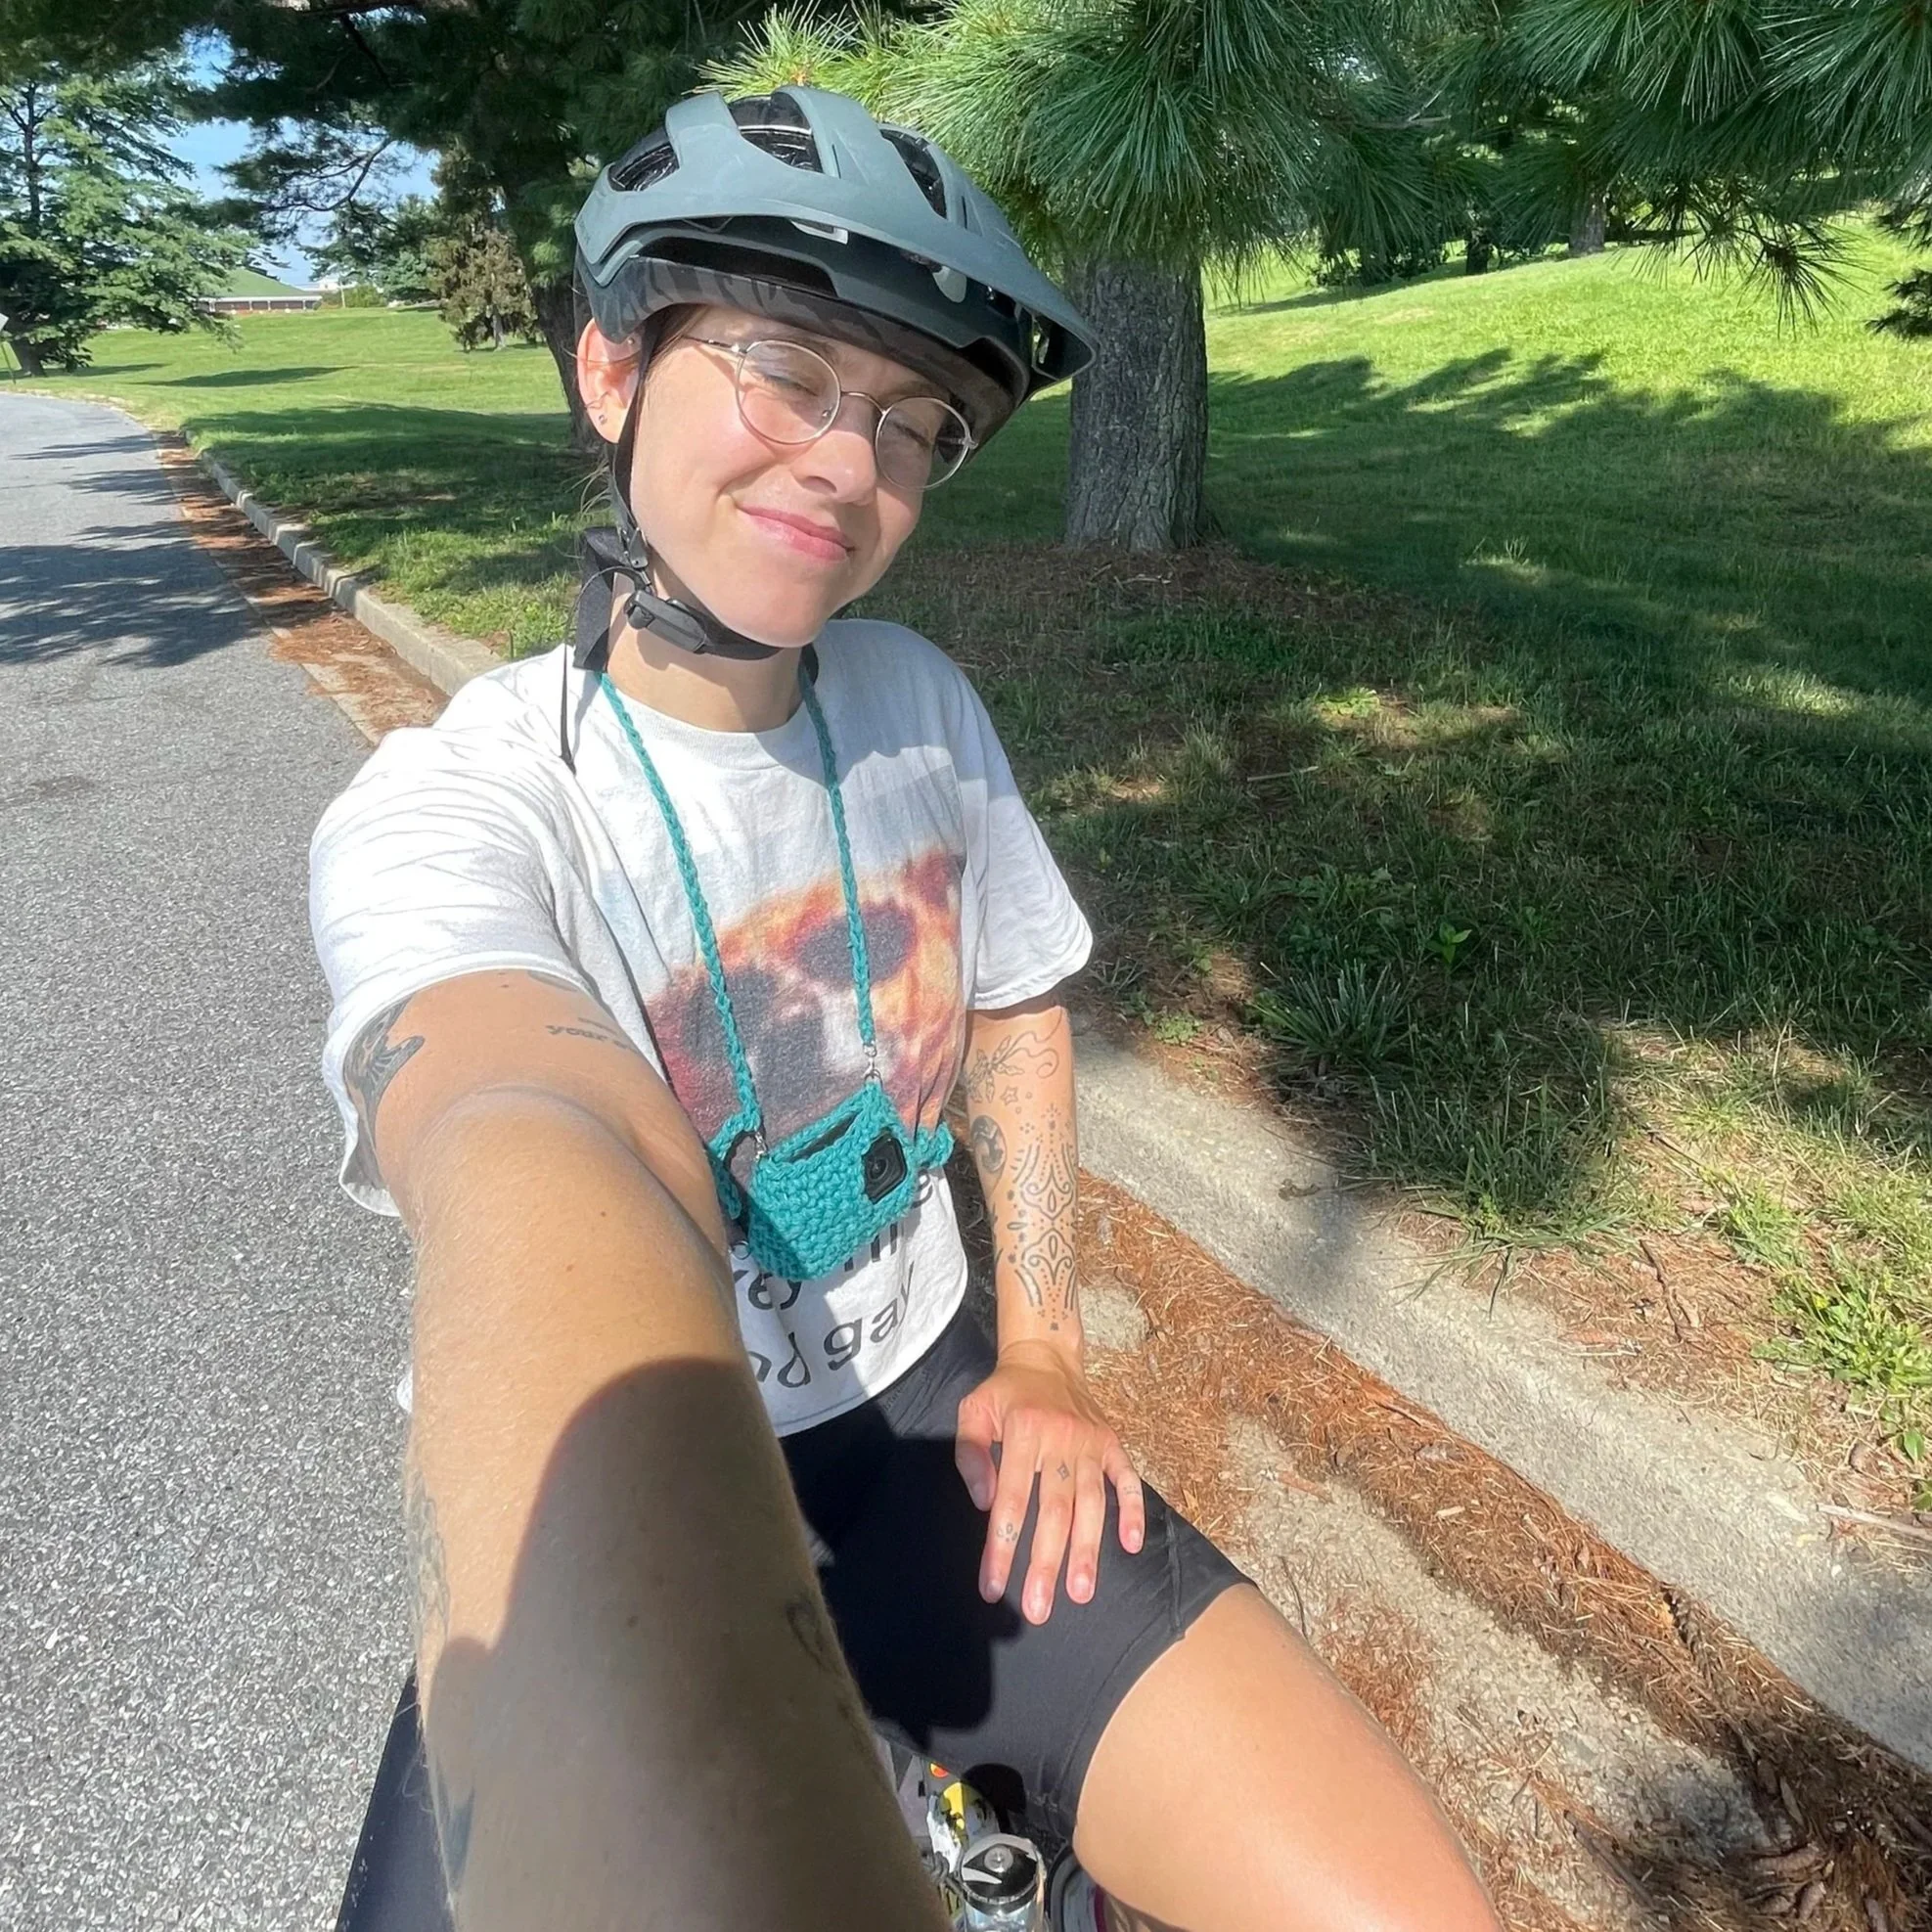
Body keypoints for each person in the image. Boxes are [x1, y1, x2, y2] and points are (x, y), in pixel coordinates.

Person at [312, 85, 1505, 1932]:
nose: (848, 463)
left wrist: (1044, 1350)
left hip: (933, 1416)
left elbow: (1019, 1004)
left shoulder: (918, 702)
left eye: (912, 423)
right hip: (631, 1480)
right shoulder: (460, 806)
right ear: (613, 368)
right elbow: (512, 1124)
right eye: (786, 366)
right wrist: (643, 1525)